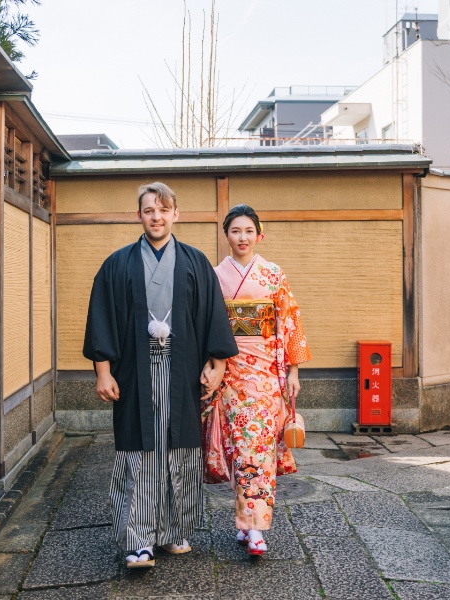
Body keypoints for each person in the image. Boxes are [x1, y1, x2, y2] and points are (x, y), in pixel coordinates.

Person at [83, 182, 238, 568]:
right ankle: (139, 539)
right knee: (140, 449)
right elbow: (101, 319)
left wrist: (217, 365)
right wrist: (103, 372)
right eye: (149, 210)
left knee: (181, 448)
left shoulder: (194, 261)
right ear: (139, 215)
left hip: (182, 369)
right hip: (135, 371)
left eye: (164, 210)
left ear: (175, 215)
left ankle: (172, 531)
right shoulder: (117, 264)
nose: (157, 217)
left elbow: (213, 316)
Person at [206, 203, 311, 557]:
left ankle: (255, 528)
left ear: (259, 234)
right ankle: (247, 520)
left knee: (260, 450)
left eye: (249, 231)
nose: (242, 237)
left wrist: (293, 371)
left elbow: (290, 321)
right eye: (235, 231)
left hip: (267, 374)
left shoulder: (273, 273)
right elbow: (206, 324)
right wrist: (211, 365)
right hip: (231, 372)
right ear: (226, 236)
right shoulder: (214, 275)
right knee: (240, 450)